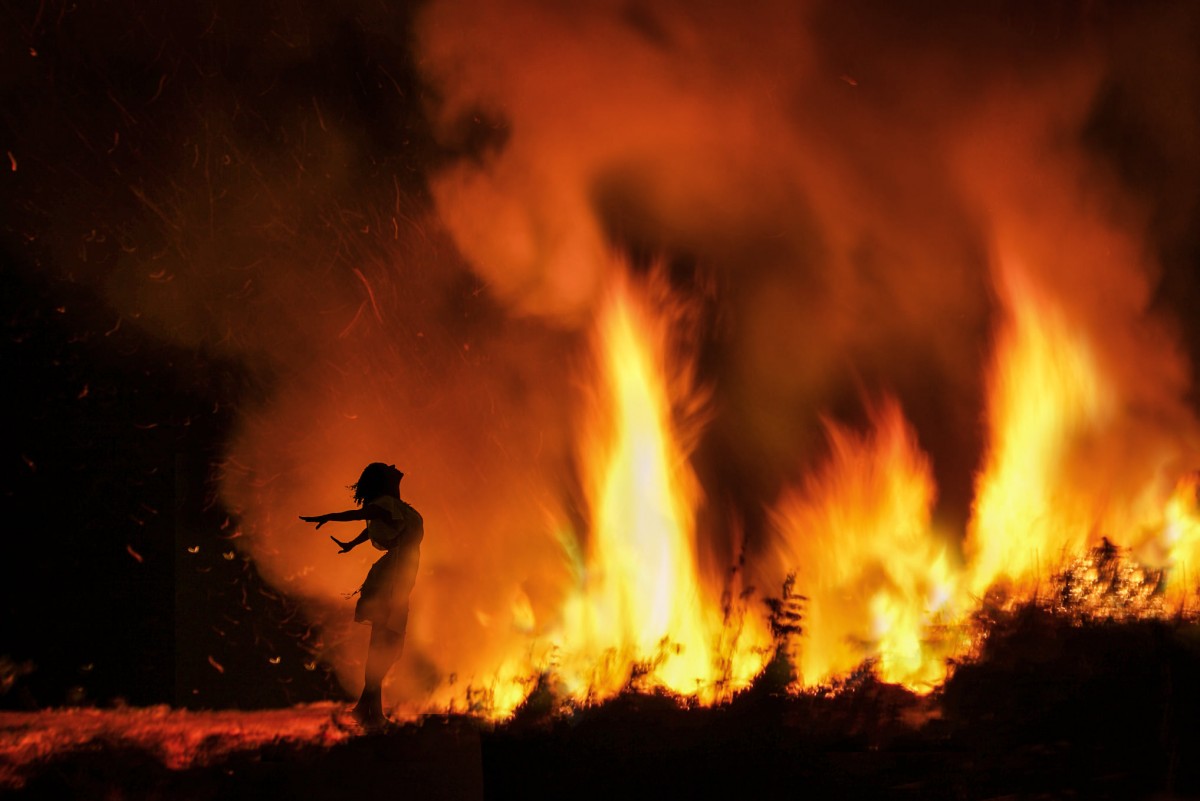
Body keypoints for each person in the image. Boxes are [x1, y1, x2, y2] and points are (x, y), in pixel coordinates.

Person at [300, 462, 423, 728]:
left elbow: (370, 526)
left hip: (398, 578)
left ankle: (365, 708)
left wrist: (351, 544)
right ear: (383, 480)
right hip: (391, 581)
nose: (394, 466)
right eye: (388, 468)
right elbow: (361, 516)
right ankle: (372, 713)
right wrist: (330, 517)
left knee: (386, 645)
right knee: (385, 644)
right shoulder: (385, 503)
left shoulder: (394, 507)